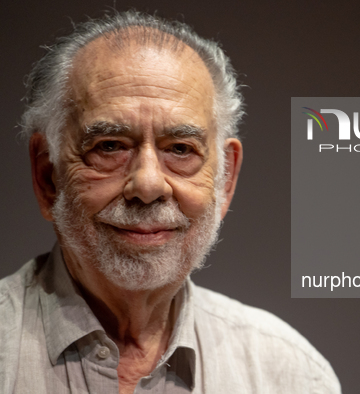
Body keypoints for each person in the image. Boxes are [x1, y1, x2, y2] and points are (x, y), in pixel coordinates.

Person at [0, 11, 340, 393]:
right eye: (109, 146)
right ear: (48, 177)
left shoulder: (289, 375)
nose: (147, 184)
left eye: (180, 149)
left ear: (225, 180)